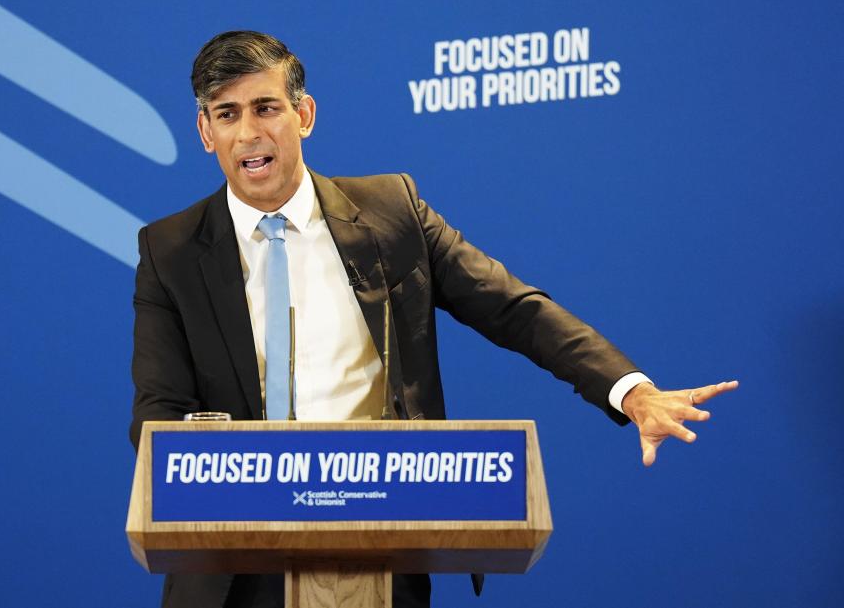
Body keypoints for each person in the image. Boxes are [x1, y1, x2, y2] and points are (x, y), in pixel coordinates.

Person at [130, 30, 737, 608]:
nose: (248, 133)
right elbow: (155, 412)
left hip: (381, 551)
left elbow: (512, 308)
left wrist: (631, 392)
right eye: (227, 114)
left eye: (266, 108)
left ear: (305, 115)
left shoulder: (390, 213)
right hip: (229, 573)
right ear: (205, 131)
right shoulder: (170, 250)